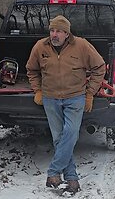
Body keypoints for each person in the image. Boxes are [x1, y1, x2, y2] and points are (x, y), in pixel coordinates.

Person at [26, 15, 106, 194]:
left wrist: (90, 93)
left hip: (75, 97)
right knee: (59, 138)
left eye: (59, 31)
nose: (54, 34)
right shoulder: (40, 46)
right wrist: (37, 90)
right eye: (52, 30)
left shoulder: (82, 46)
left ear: (67, 33)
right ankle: (72, 179)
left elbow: (99, 67)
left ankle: (53, 172)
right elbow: (31, 70)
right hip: (50, 98)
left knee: (71, 133)